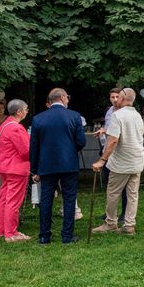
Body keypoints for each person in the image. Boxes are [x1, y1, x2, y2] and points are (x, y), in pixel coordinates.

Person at [30, 88, 86, 244]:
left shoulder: (38, 119)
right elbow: (81, 142)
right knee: (69, 199)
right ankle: (67, 235)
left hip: (46, 164)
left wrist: (34, 168)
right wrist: (70, 150)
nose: (68, 100)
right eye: (67, 97)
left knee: (46, 199)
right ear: (62, 97)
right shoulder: (74, 116)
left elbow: (34, 146)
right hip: (68, 163)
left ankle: (44, 236)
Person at [92, 88, 144, 235]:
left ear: (122, 99)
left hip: (122, 162)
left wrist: (102, 160)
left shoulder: (117, 115)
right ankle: (129, 225)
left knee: (113, 193)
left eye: (118, 97)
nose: (116, 100)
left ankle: (110, 223)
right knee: (132, 194)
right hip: (137, 160)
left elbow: (113, 140)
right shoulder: (138, 116)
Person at [0, 99, 31, 242]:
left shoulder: (4, 125)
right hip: (15, 168)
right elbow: (25, 151)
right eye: (26, 109)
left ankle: (3, 230)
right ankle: (11, 233)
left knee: (4, 199)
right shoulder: (16, 127)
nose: (27, 111)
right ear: (19, 112)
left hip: (4, 166)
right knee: (13, 201)